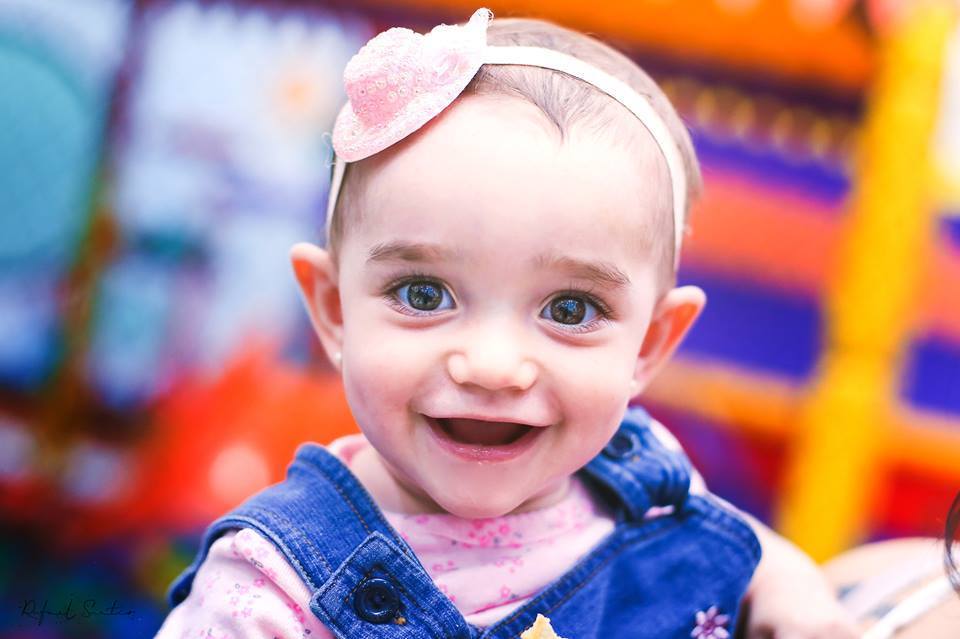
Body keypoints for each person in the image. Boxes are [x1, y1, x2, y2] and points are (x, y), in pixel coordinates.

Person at [155, 9, 857, 638]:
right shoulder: (268, 589)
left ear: (650, 343)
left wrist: (787, 585)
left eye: (570, 310)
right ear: (335, 310)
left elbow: (727, 538)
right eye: (424, 294)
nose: (492, 365)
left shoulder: (644, 481)